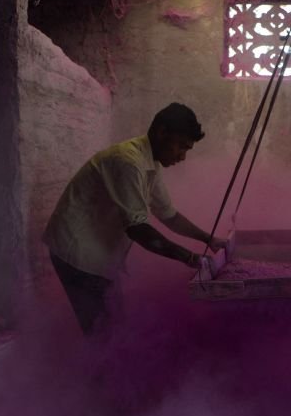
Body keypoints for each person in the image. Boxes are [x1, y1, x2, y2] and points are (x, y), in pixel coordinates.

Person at [43, 102, 225, 335]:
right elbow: (137, 228)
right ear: (161, 132)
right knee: (104, 333)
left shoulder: (150, 163)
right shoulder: (128, 161)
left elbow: (168, 214)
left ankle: (107, 364)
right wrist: (189, 257)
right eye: (181, 147)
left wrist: (208, 239)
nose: (182, 157)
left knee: (114, 322)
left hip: (98, 253)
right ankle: (95, 369)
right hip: (77, 253)